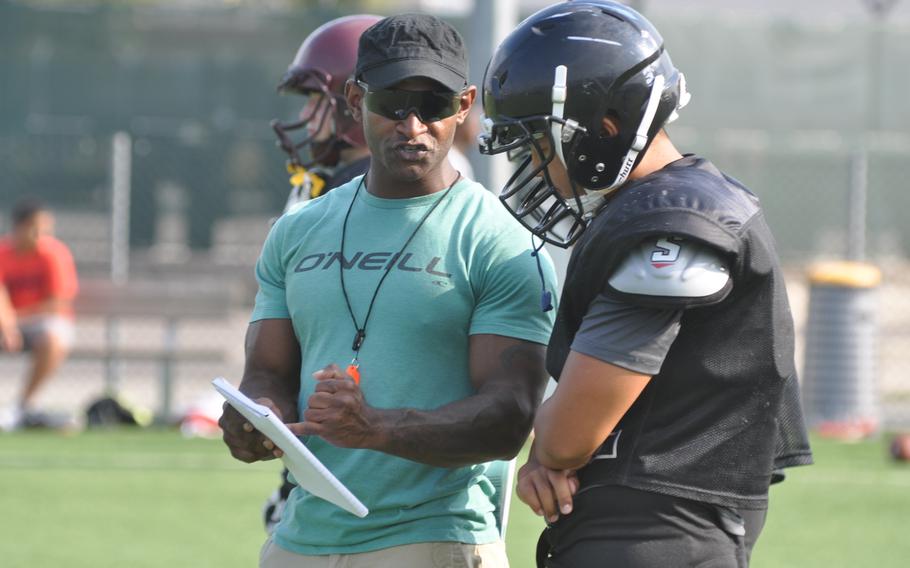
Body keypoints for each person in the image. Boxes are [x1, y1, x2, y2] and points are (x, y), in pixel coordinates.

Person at [478, 2, 813, 567]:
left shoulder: (673, 223)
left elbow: (570, 436)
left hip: (659, 534)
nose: (533, 165)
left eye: (538, 141)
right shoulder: (658, 208)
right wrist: (552, 450)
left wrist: (549, 447)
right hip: (646, 526)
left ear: (604, 127)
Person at [220, 13, 557, 568]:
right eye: (393, 103)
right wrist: (256, 417)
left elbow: (508, 416)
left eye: (435, 104)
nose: (413, 124)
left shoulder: (502, 241)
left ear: (466, 104)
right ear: (356, 100)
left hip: (433, 539)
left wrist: (374, 428)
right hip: (299, 539)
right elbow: (267, 373)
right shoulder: (298, 231)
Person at [262, 13, 381, 534]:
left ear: (354, 103)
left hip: (363, 468)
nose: (307, 116)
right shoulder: (335, 187)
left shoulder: (360, 198)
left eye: (317, 100)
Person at [270, 15, 380, 215]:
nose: (305, 112)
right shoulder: (346, 179)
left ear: (354, 102)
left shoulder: (369, 191)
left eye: (316, 98)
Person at [0, 198, 79, 431]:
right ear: (19, 227)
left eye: (46, 228)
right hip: (7, 323)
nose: (42, 233)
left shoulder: (53, 253)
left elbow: (57, 303)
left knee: (54, 339)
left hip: (39, 322)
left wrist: (13, 321)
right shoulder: (4, 252)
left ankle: (22, 406)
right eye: (36, 227)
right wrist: (7, 326)